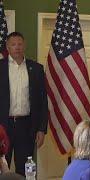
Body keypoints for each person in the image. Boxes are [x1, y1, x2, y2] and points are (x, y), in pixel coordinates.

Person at [0, 32, 48, 176]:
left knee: (27, 170)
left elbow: (43, 101)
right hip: (3, 126)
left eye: (20, 44)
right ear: (7, 47)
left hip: (26, 126)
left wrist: (42, 129)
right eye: (13, 44)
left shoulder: (37, 69)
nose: (17, 47)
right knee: (2, 168)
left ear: (24, 45)